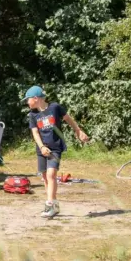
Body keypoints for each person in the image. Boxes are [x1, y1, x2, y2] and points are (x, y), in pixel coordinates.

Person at [22, 85, 89, 219]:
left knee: (52, 174)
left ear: (36, 98)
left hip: (55, 148)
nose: (26, 102)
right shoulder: (33, 114)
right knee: (46, 178)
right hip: (42, 149)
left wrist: (78, 131)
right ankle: (54, 203)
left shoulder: (55, 108)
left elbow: (69, 119)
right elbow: (35, 133)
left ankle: (49, 205)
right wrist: (41, 147)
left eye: (27, 99)